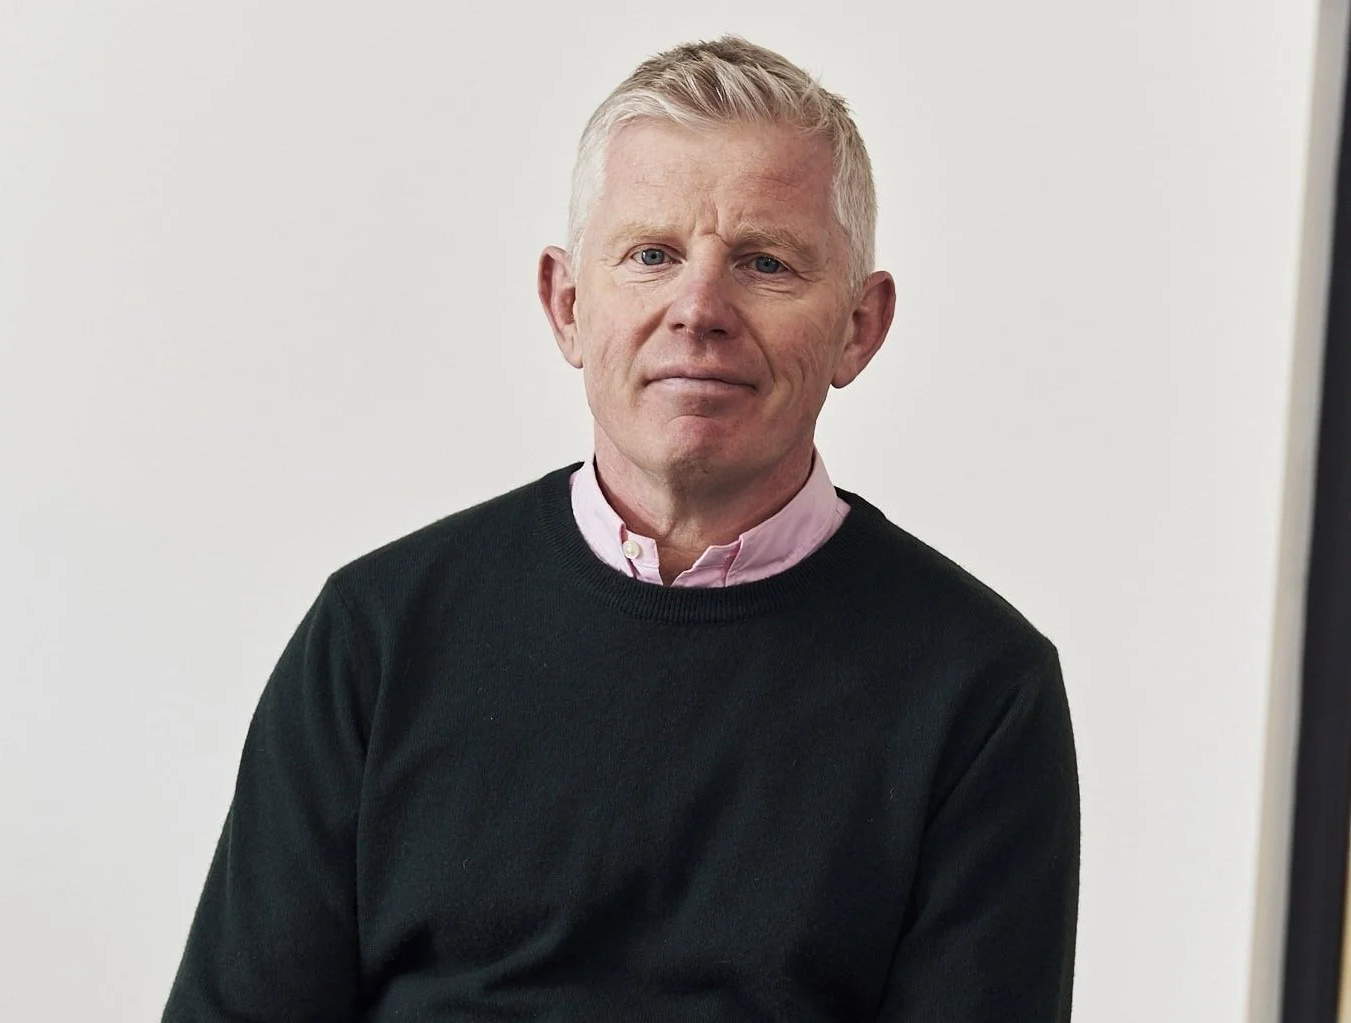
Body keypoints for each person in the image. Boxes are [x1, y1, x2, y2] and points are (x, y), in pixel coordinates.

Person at [162, 35, 1080, 1022]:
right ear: (566, 303)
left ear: (859, 325)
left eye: (765, 262)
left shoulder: (982, 690)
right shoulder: (377, 637)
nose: (699, 308)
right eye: (652, 254)